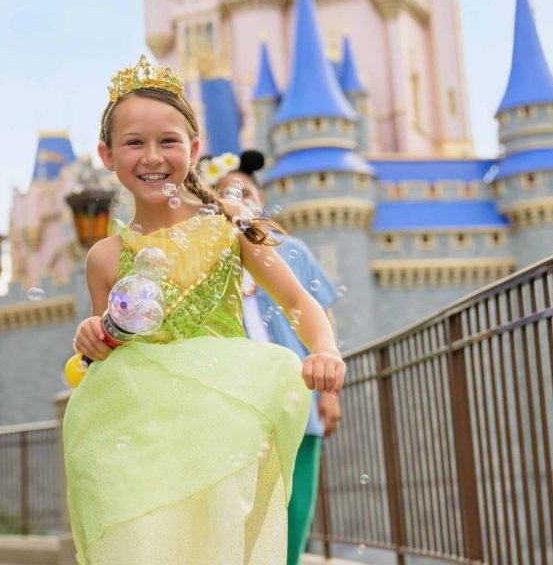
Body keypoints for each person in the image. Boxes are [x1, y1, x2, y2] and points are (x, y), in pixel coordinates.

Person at [64, 55, 346, 565]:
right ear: (107, 154)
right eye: (134, 142)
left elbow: (299, 300)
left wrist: (324, 349)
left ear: (193, 149)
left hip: (218, 434)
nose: (153, 156)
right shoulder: (104, 258)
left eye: (168, 141)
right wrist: (91, 338)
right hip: (141, 441)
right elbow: (108, 348)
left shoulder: (229, 224)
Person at [214, 151, 342, 565]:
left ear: (260, 196)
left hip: (297, 399)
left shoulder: (293, 250)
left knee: (295, 507)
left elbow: (320, 315)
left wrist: (331, 393)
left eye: (243, 191)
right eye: (224, 193)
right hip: (240, 406)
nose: (236, 198)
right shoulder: (212, 259)